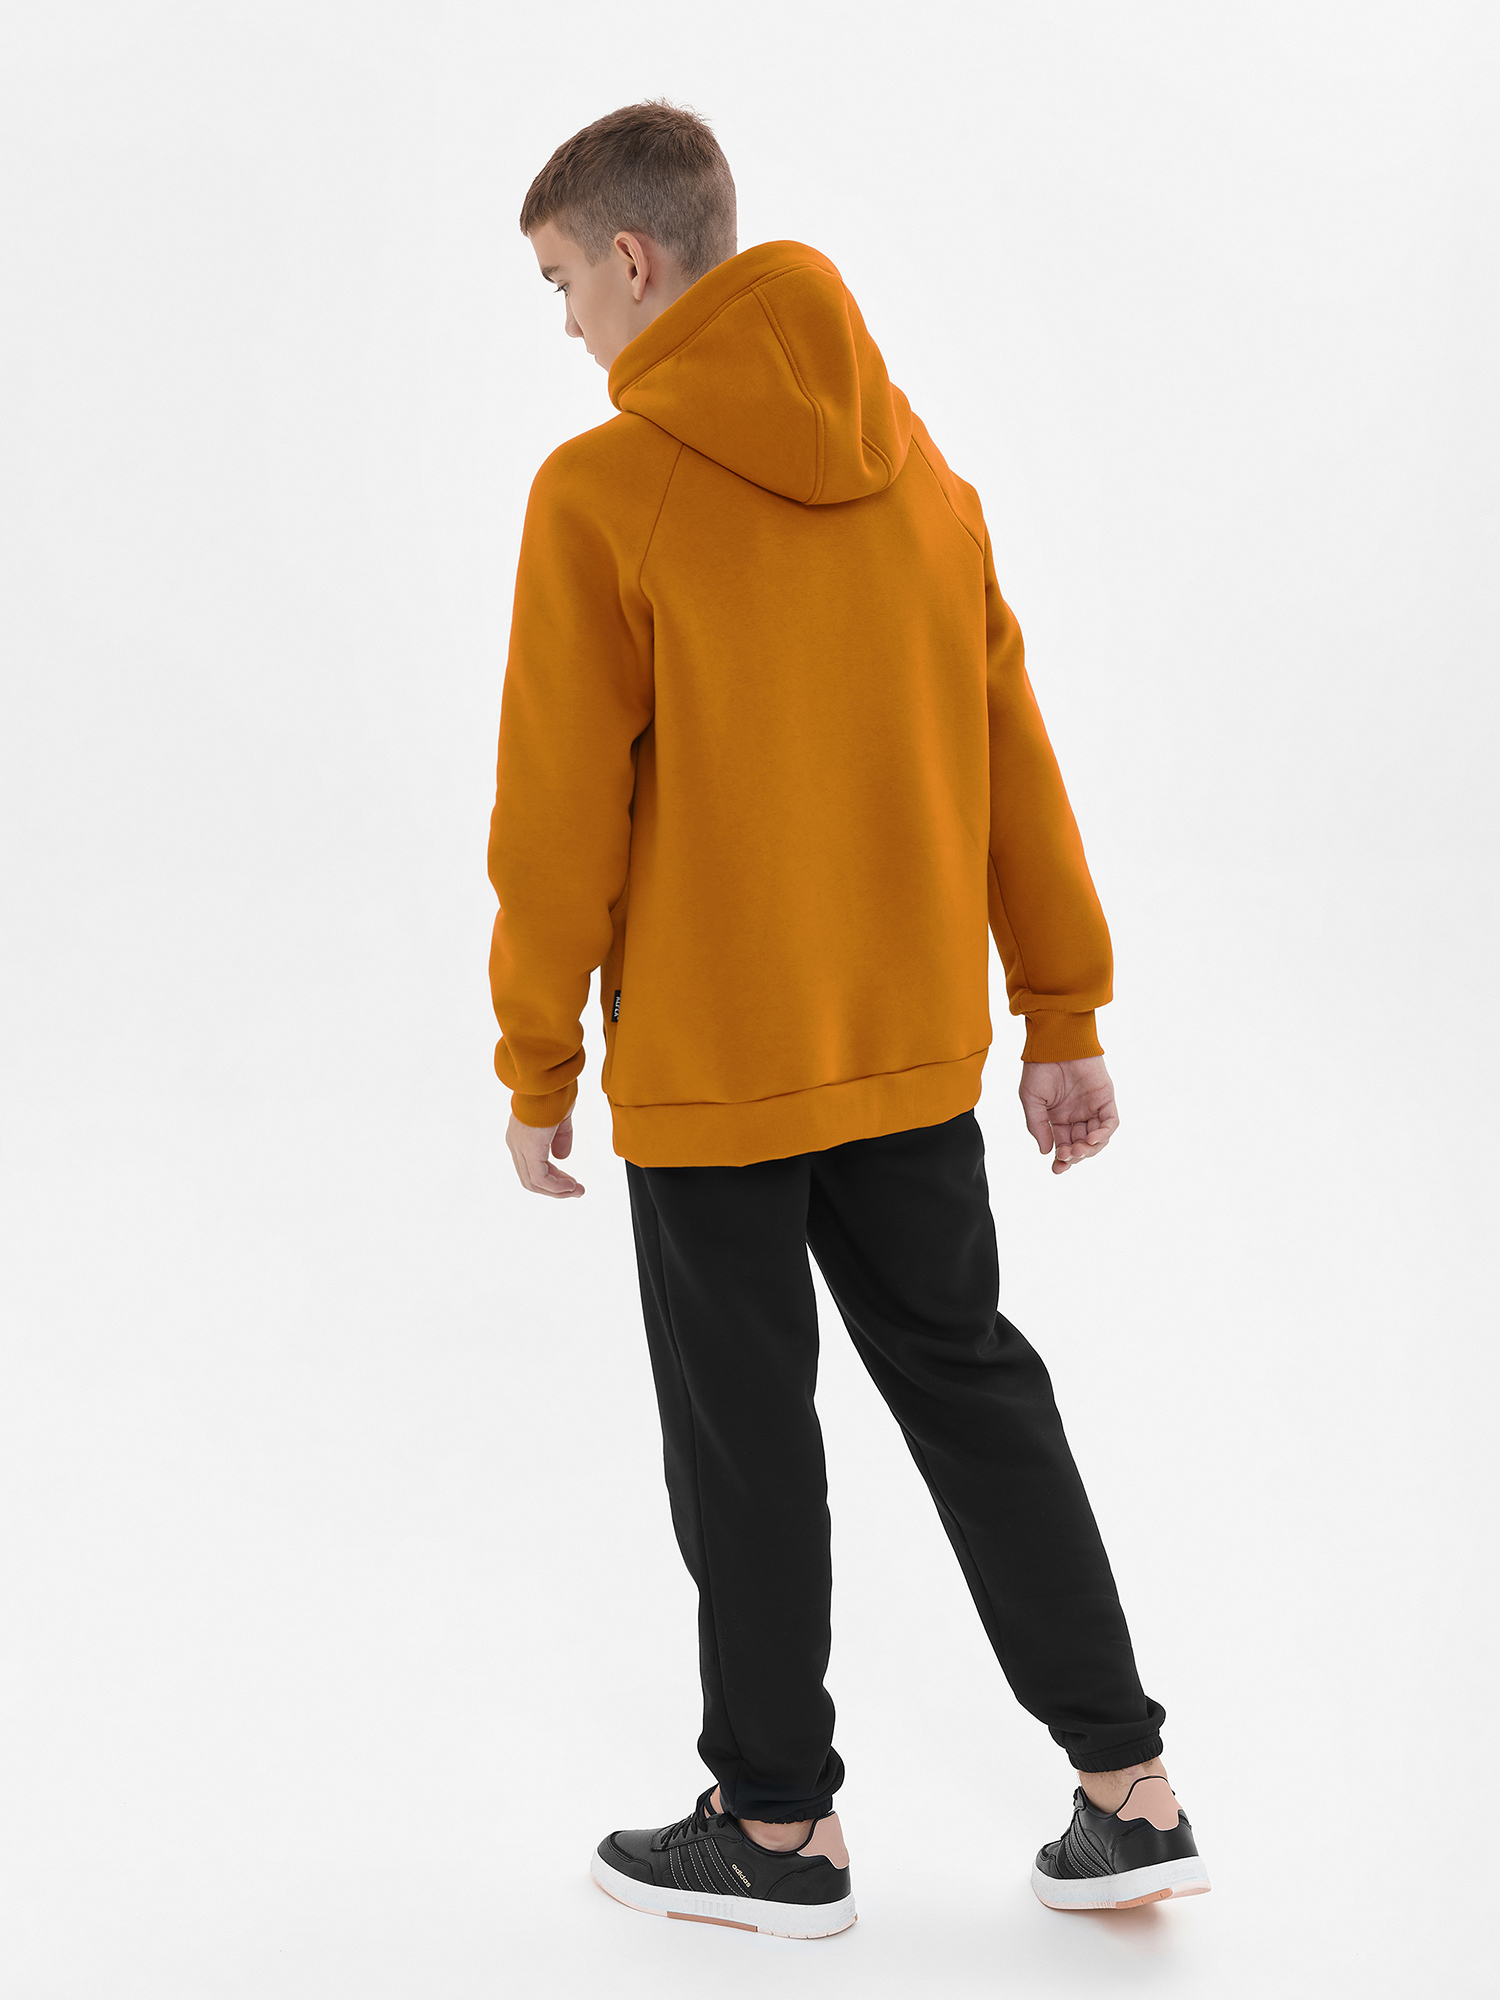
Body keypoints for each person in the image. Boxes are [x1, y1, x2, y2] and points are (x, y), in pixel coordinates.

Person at [488, 100, 1209, 1938]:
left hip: (715, 1066)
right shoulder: (921, 474)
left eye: (563, 283)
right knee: (974, 1387)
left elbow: (556, 821)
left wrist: (537, 1057)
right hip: (903, 1051)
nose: (566, 323)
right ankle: (1129, 1790)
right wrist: (1061, 1008)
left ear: (633, 257)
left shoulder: (600, 491)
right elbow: (1009, 747)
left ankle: (778, 1828)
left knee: (746, 1437)